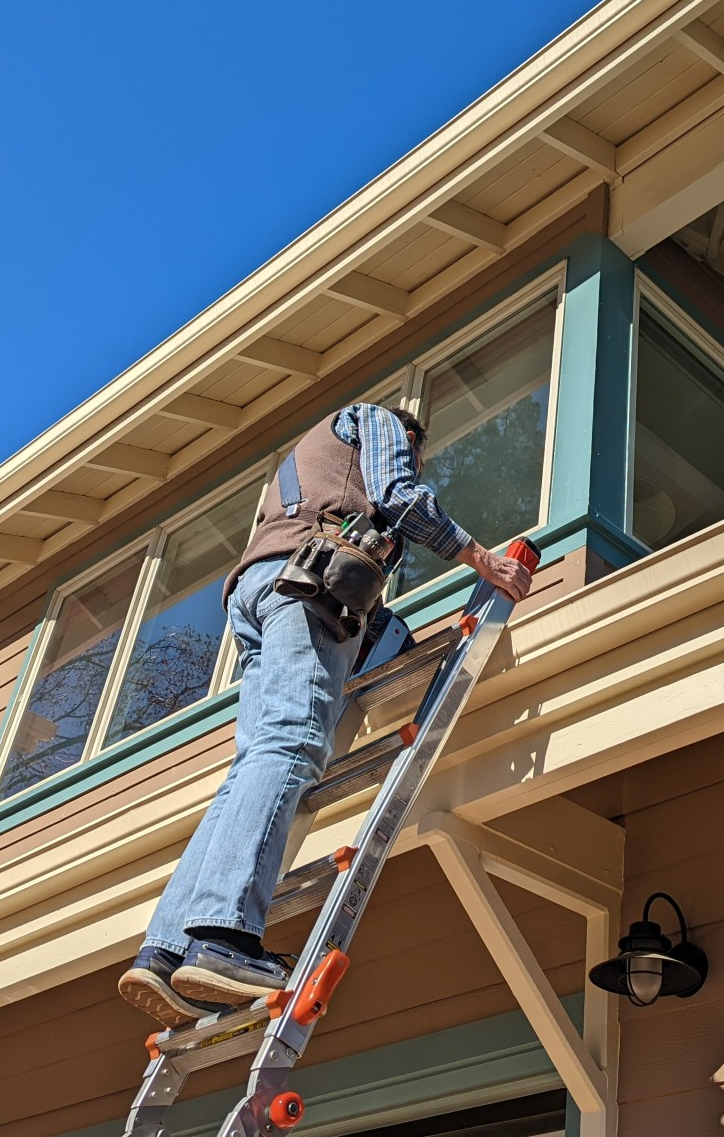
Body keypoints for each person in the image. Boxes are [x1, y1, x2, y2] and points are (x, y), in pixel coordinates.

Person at [117, 402, 532, 1027]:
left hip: (260, 594)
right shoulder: (376, 420)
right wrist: (481, 559)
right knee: (292, 746)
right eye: (420, 452)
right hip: (308, 587)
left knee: (249, 768)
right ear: (411, 435)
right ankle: (222, 939)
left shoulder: (303, 468)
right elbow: (399, 493)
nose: (417, 460)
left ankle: (166, 948)